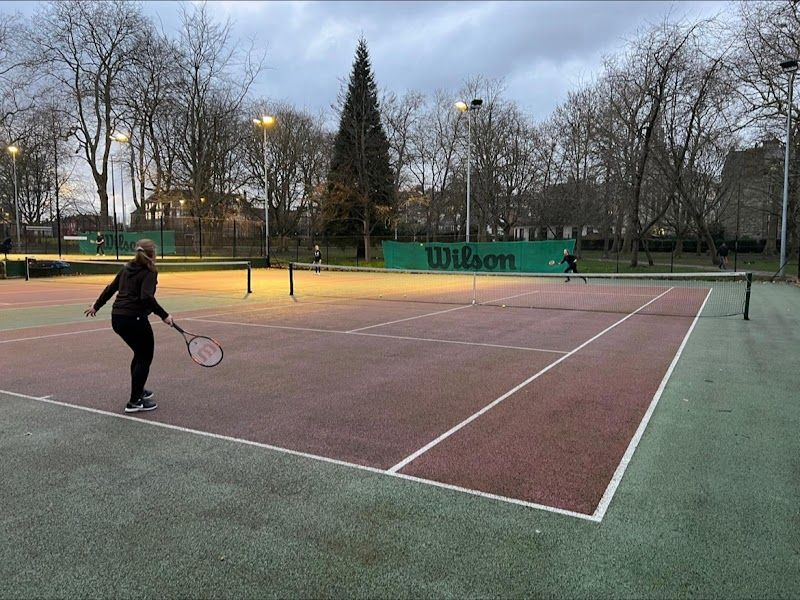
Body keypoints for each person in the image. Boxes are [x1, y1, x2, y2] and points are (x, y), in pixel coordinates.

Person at [84, 239, 173, 413]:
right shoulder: (150, 271)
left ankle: (138, 391)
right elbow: (146, 297)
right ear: (152, 254)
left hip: (117, 318)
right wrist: (165, 315)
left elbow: (110, 289)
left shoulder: (126, 268)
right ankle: (134, 402)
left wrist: (96, 306)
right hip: (134, 319)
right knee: (145, 357)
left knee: (139, 354)